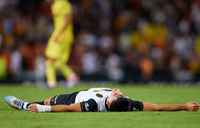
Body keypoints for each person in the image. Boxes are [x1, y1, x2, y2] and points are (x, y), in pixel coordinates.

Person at [5, 88, 199, 113]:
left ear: (107, 102)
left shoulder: (92, 104)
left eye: (116, 94)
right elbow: (158, 108)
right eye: (121, 94)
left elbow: (71, 108)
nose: (118, 91)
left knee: (48, 101)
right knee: (47, 100)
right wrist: (184, 106)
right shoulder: (127, 104)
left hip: (75, 97)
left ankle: (24, 105)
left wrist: (43, 109)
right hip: (84, 93)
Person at [43, 0, 79, 89]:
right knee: (52, 59)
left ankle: (68, 77)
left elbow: (67, 20)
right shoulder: (54, 4)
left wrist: (59, 34)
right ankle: (54, 82)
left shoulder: (62, 3)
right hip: (60, 33)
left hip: (62, 35)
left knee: (51, 58)